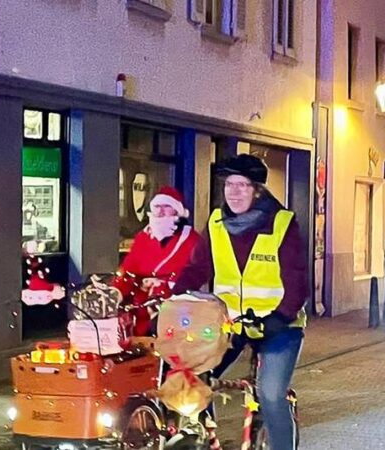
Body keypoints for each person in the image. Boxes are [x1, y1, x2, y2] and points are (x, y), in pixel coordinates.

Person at [174, 154, 306, 450]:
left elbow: (297, 280)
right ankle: (202, 436)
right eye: (229, 185)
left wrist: (281, 316)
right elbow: (199, 267)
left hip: (279, 327)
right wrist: (174, 294)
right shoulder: (217, 223)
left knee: (271, 394)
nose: (233, 192)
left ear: (257, 190)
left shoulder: (282, 223)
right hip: (231, 325)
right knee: (192, 376)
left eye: (242, 185)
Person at [117, 186, 201, 336]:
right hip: (140, 314)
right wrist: (117, 292)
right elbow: (129, 269)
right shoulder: (143, 238)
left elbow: (195, 274)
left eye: (167, 206)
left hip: (176, 315)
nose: (161, 211)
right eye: (157, 207)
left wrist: (165, 285)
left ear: (178, 211)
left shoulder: (192, 241)